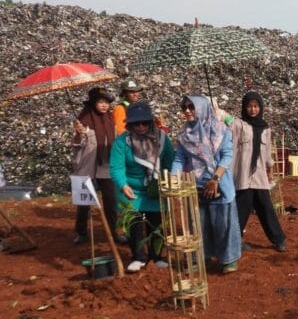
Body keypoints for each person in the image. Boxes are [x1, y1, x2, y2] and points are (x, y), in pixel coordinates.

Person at [171, 95, 242, 274]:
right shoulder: (184, 135)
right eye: (184, 107)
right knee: (199, 224)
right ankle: (202, 257)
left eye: (191, 107)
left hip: (219, 183)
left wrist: (215, 179)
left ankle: (228, 259)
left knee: (223, 224)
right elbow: (180, 158)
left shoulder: (219, 130)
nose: (187, 111)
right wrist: (174, 176)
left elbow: (227, 156)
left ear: (202, 109)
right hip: (197, 185)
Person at [110, 101, 175, 272]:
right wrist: (123, 185)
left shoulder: (161, 138)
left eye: (144, 122)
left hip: (155, 187)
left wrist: (167, 180)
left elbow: (170, 161)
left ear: (150, 122)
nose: (140, 126)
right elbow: (116, 167)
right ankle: (138, 256)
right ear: (130, 124)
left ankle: (156, 255)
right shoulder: (122, 142)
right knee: (135, 223)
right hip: (132, 189)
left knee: (157, 223)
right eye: (136, 123)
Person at [230, 91, 287, 252]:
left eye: (255, 106)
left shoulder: (265, 128)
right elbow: (227, 130)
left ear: (260, 108)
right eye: (249, 106)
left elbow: (267, 151)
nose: (252, 110)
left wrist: (269, 169)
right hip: (243, 176)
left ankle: (278, 239)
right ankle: (235, 241)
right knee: (241, 209)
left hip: (260, 175)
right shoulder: (239, 125)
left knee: (266, 207)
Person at [71, 86, 119, 245]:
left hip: (106, 164)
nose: (105, 105)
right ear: (93, 103)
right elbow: (77, 144)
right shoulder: (83, 120)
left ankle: (114, 232)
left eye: (107, 102)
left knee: (111, 200)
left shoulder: (110, 119)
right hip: (86, 166)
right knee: (84, 203)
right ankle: (81, 232)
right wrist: (79, 133)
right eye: (101, 102)